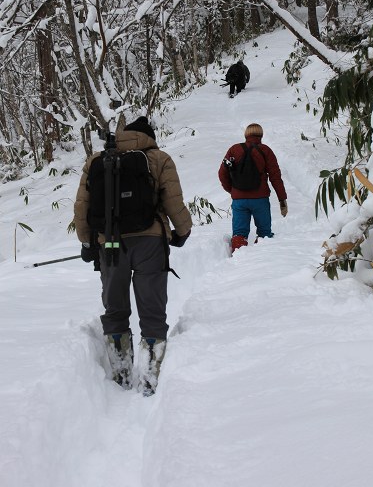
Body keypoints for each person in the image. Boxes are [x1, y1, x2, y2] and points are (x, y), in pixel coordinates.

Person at [73, 116, 192, 394]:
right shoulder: (159, 158)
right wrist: (182, 232)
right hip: (150, 242)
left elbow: (82, 207)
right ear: (149, 137)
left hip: (110, 243)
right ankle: (150, 375)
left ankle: (122, 373)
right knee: (152, 308)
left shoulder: (97, 161)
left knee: (115, 308)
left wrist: (88, 242)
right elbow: (173, 200)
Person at [218, 123, 288, 252]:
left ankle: (238, 259)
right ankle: (261, 261)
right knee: (264, 233)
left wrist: (233, 191)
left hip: (239, 200)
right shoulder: (266, 150)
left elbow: (222, 173)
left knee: (239, 233)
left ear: (246, 135)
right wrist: (282, 199)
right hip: (260, 199)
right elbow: (275, 177)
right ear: (261, 135)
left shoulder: (234, 149)